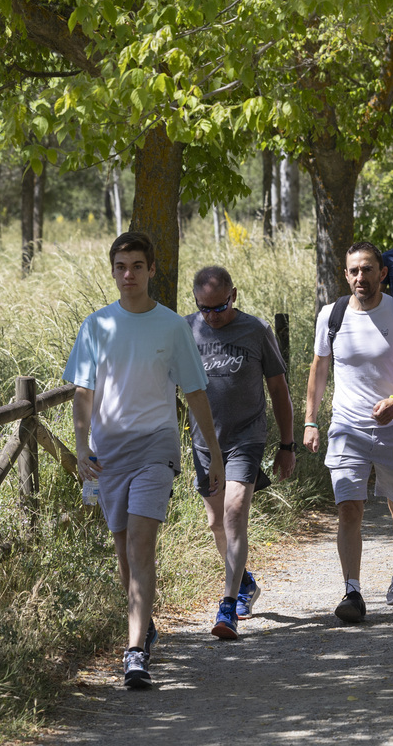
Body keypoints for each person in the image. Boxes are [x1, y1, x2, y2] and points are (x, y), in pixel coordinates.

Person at [65, 231, 225, 690]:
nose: (128, 274)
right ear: (112, 271)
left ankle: (135, 651)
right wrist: (81, 447)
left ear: (152, 269)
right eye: (120, 266)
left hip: (156, 445)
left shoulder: (172, 326)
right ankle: (144, 623)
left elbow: (195, 393)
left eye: (137, 265)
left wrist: (212, 455)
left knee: (140, 542)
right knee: (123, 552)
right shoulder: (96, 325)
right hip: (108, 452)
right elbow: (83, 391)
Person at [304, 242, 393, 624]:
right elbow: (319, 369)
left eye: (368, 269)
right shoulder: (332, 314)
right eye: (354, 270)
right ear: (346, 275)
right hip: (346, 427)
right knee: (349, 508)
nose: (361, 277)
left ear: (382, 273)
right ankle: (353, 591)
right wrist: (311, 419)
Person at [186, 266, 296, 640]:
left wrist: (287, 445)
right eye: (205, 309)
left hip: (246, 438)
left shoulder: (256, 330)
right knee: (215, 522)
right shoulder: (186, 331)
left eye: (220, 307)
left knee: (234, 513)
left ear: (234, 295)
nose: (213, 317)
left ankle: (228, 605)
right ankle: (245, 581)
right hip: (204, 442)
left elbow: (279, 390)